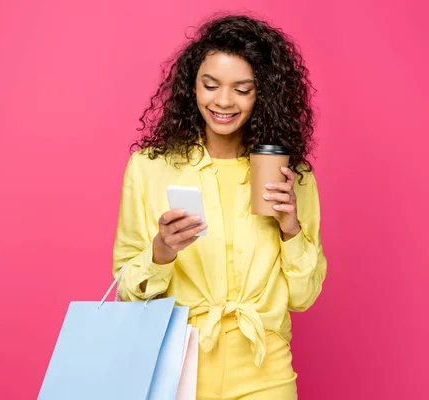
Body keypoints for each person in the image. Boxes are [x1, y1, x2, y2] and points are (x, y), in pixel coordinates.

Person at [112, 14, 327, 400]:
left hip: (265, 369)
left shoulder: (291, 176)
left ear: (263, 93)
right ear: (191, 87)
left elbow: (303, 297)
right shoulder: (149, 168)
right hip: (177, 365)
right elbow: (126, 291)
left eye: (242, 89)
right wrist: (161, 252)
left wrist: (291, 230)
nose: (223, 102)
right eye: (210, 85)